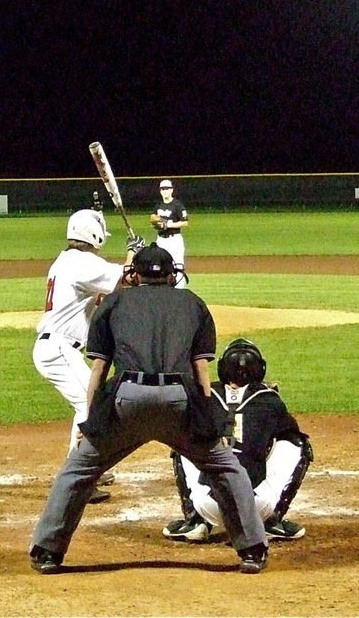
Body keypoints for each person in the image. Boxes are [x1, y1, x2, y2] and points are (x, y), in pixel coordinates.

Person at [28, 244, 270, 575]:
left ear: (134, 275)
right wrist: (214, 422)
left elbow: (98, 370)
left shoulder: (113, 302)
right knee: (226, 468)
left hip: (127, 402)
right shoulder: (193, 303)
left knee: (78, 471)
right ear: (173, 275)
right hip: (178, 402)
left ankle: (47, 551)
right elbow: (201, 374)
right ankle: (253, 551)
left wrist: (92, 421)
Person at [33, 201, 143, 503]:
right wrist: (134, 252)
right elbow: (126, 278)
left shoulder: (68, 261)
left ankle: (85, 466)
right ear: (94, 234)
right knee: (92, 406)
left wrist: (132, 258)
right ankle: (79, 479)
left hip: (57, 348)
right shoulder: (81, 263)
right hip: (57, 349)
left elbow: (110, 292)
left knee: (90, 403)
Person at [162, 338, 313, 544]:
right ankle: (271, 521)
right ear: (259, 370)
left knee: (183, 441)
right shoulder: (269, 399)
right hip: (255, 507)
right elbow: (290, 431)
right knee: (298, 443)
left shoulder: (204, 395)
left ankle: (195, 520)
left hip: (209, 505)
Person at [151, 179, 190, 287]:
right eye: (162, 189)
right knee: (160, 265)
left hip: (174, 239)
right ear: (160, 191)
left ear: (172, 190)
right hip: (161, 239)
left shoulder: (177, 205)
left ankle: (179, 290)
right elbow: (154, 220)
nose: (165, 191)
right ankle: (163, 289)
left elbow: (185, 222)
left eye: (167, 188)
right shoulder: (158, 206)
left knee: (178, 265)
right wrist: (157, 225)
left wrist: (168, 225)